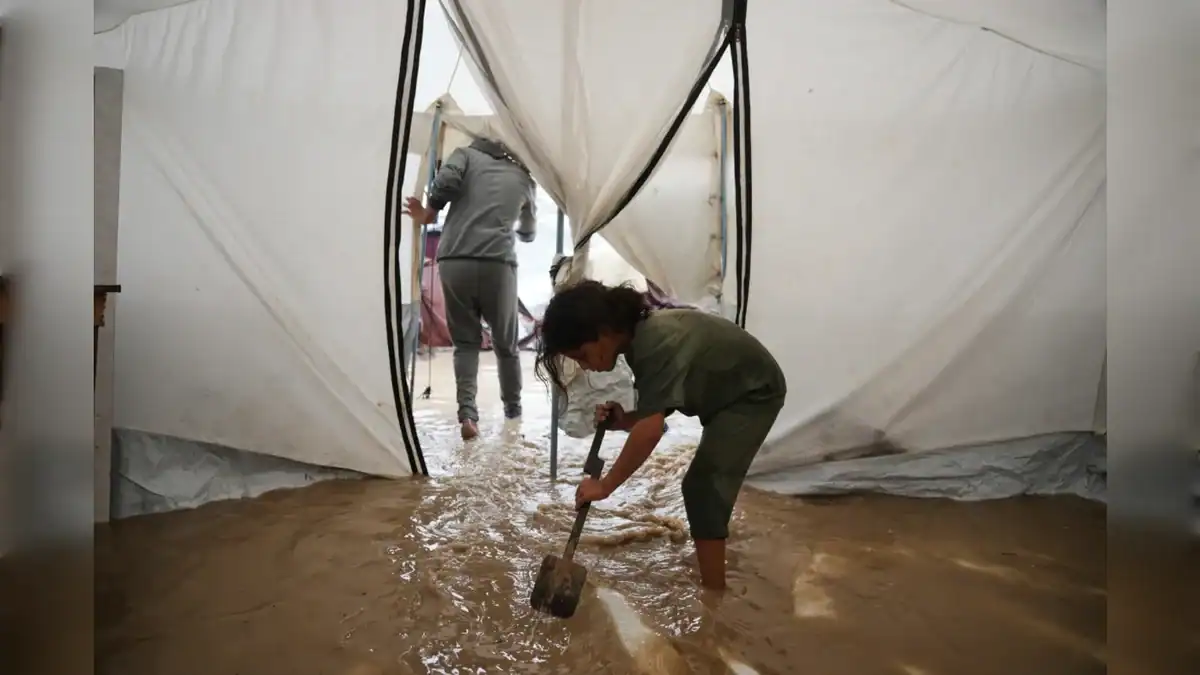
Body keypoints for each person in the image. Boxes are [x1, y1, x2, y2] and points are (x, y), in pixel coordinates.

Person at [534, 280, 787, 590]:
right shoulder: (640, 340)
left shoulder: (655, 341)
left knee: (703, 486)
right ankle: (711, 562)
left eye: (583, 356)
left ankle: (714, 596)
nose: (585, 368)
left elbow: (651, 431)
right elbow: (655, 414)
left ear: (603, 331)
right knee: (703, 486)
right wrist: (624, 419)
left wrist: (605, 485)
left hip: (753, 394)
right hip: (728, 393)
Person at [404, 136, 537, 440]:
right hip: (497, 263)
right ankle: (513, 415)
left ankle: (468, 415)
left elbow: (446, 180)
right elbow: (528, 233)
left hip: (454, 259)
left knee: (465, 344)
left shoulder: (464, 155)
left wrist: (431, 212)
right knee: (506, 347)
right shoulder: (524, 177)